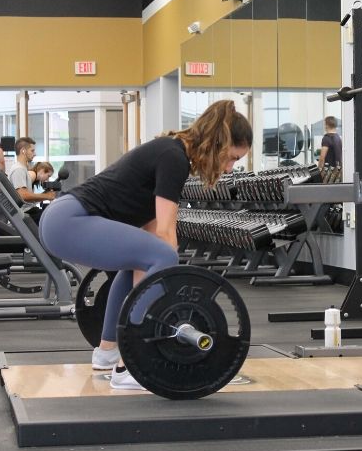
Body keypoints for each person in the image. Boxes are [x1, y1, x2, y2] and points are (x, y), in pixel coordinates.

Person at [39, 100, 252, 391]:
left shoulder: (171, 152)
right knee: (162, 254)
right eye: (231, 158)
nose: (228, 168)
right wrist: (174, 293)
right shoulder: (173, 157)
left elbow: (151, 232)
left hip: (61, 220)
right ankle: (132, 363)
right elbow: (166, 236)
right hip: (69, 220)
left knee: (143, 259)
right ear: (216, 143)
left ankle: (107, 352)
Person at [8, 137, 55, 224]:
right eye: (32, 151)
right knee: (53, 219)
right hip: (25, 214)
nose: (35, 154)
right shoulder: (18, 169)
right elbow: (23, 196)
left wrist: (43, 195)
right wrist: (47, 196)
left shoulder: (23, 169)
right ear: (23, 151)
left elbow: (26, 198)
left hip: (30, 211)